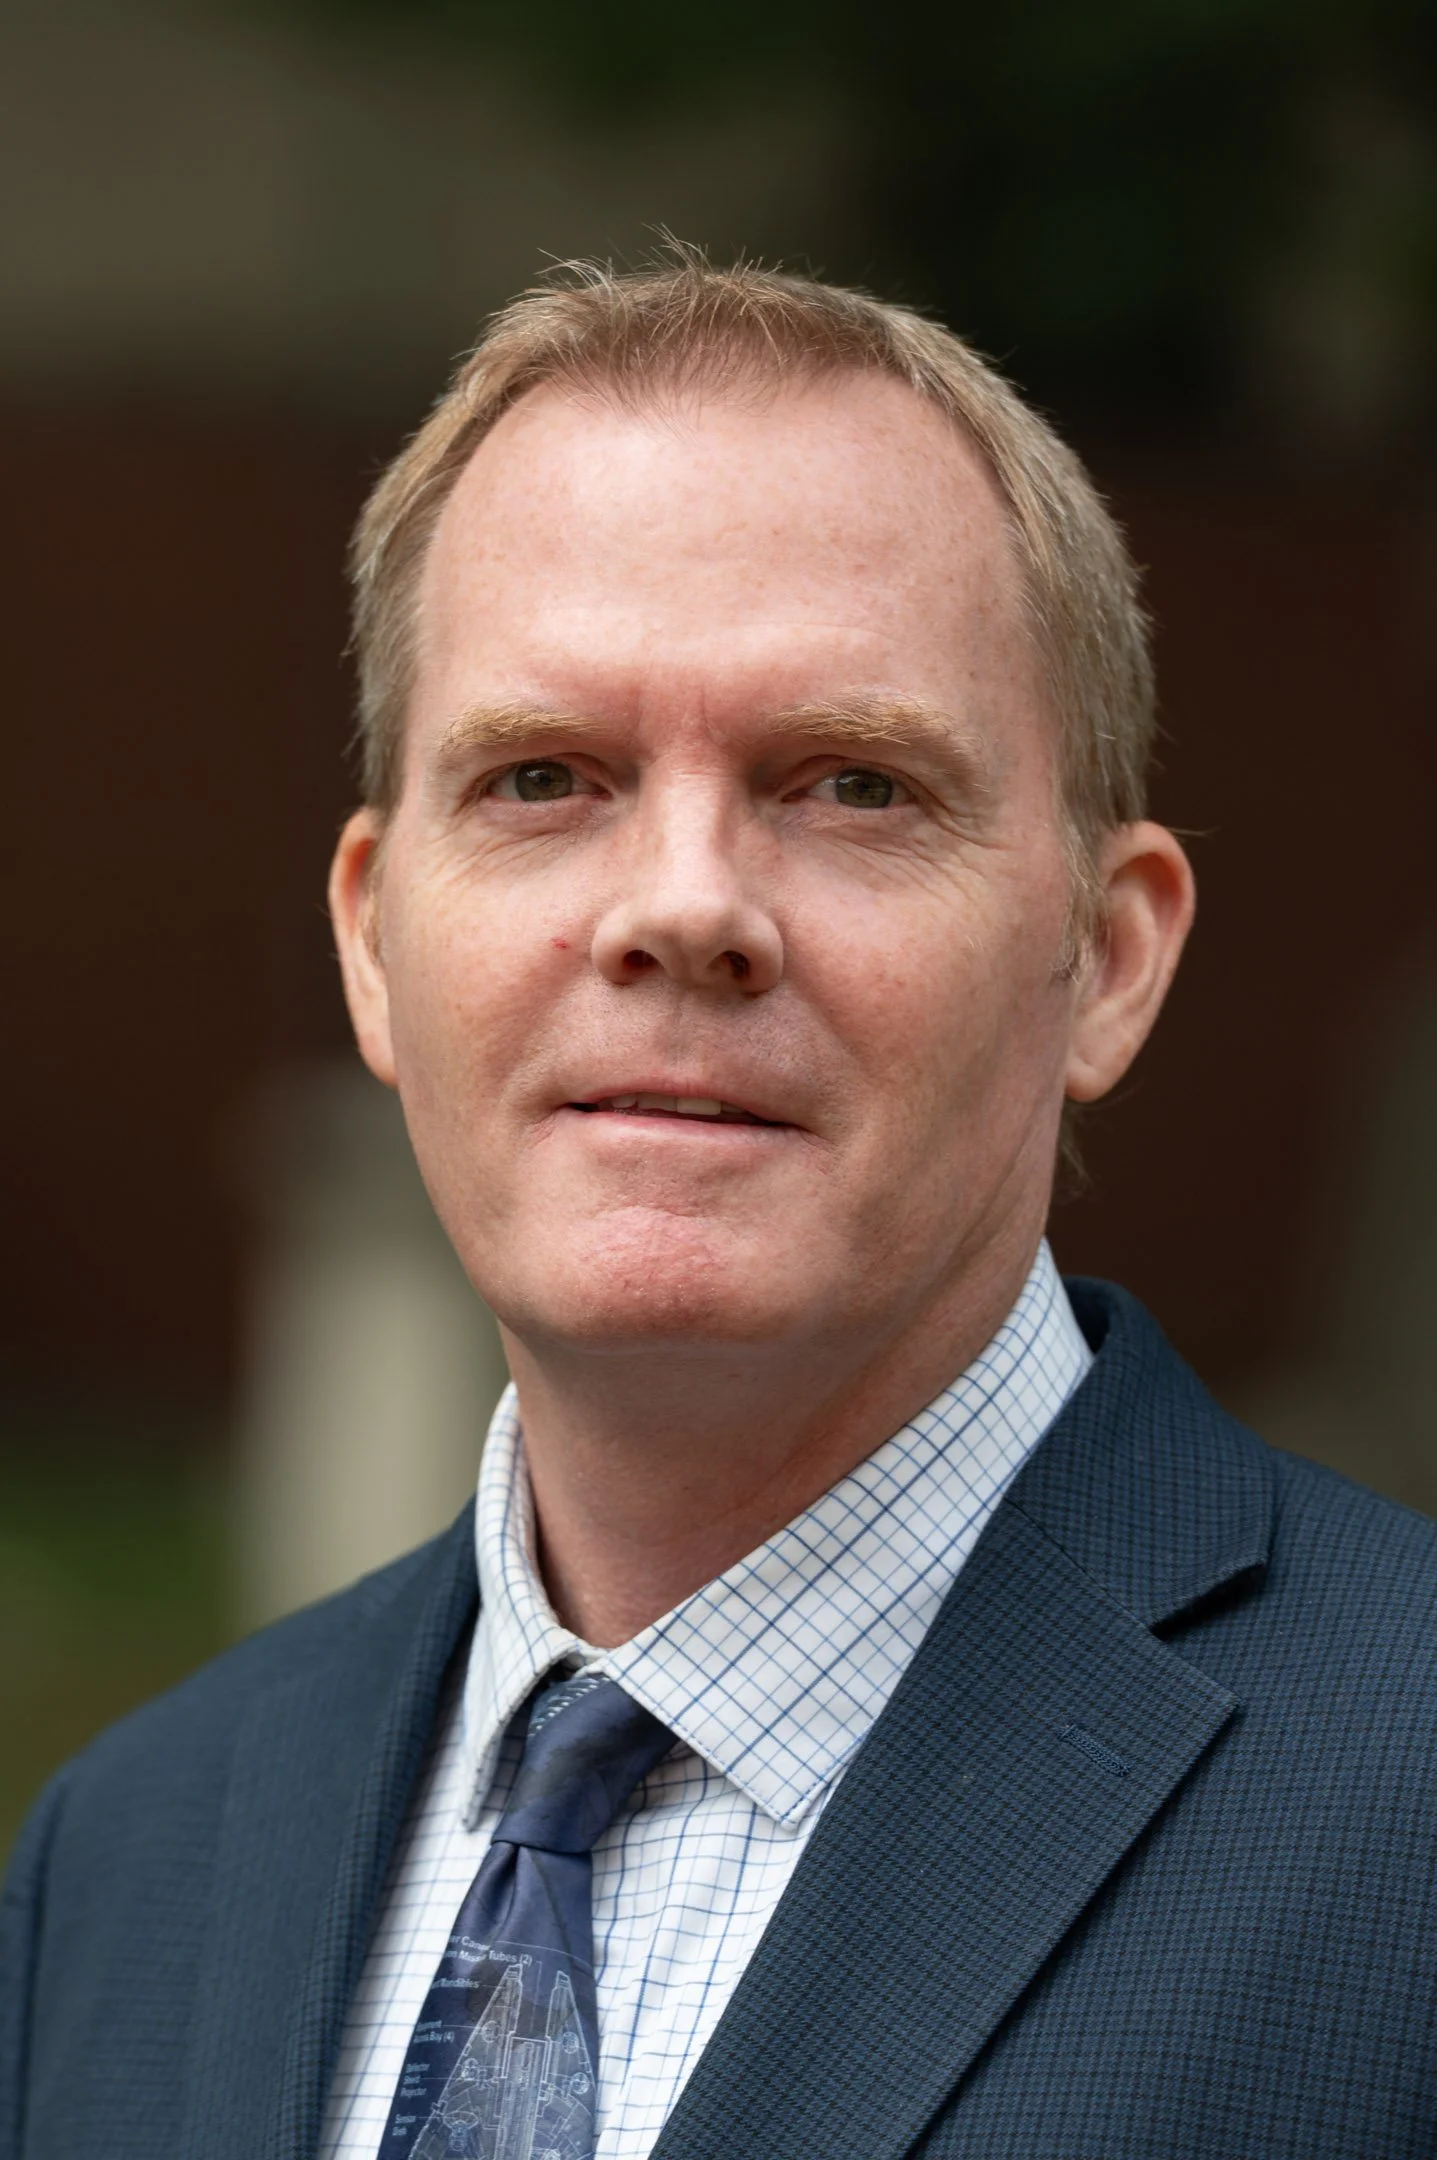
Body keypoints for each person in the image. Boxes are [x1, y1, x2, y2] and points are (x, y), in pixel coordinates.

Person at [4, 251, 1437, 2160]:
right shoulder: (121, 1865)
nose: (683, 905)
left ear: (1104, 957)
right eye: (543, 777)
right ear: (372, 943)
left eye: (850, 783)